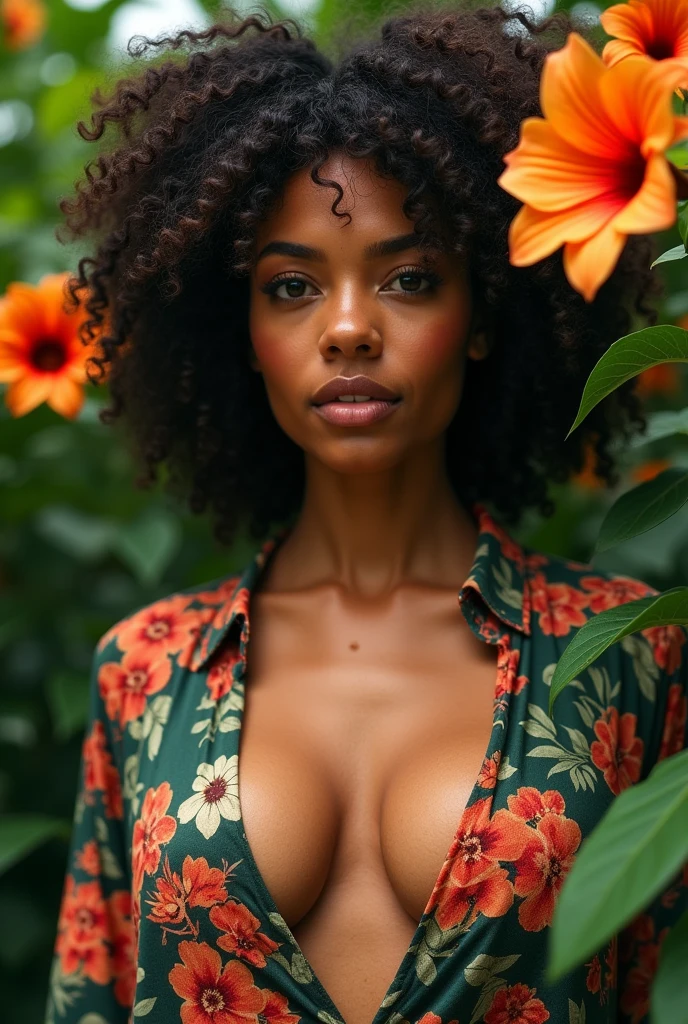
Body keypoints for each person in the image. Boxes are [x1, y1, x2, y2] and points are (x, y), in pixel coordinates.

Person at [45, 4, 688, 1024]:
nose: (348, 328)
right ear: (238, 331)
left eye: (408, 278)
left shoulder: (629, 658)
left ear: (480, 315)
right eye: (292, 285)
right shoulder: (147, 670)